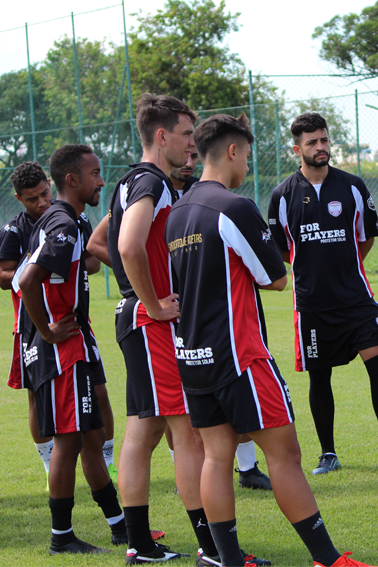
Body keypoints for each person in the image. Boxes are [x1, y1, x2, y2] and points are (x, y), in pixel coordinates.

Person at [166, 112, 378, 567]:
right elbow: (275, 278)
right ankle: (328, 559)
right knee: (285, 454)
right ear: (233, 151)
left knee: (217, 456)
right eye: (247, 153)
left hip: (193, 354)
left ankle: (224, 559)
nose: (247, 164)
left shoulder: (177, 212)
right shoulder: (233, 206)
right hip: (240, 355)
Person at [102, 93, 253, 564]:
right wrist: (154, 302)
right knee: (186, 432)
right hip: (150, 323)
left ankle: (140, 544)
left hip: (136, 319)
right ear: (161, 136)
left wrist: (137, 292)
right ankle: (211, 548)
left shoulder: (130, 179)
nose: (193, 145)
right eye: (187, 134)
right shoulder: (152, 181)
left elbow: (98, 239)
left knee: (142, 434)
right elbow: (127, 245)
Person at [268, 112, 378, 476]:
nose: (321, 147)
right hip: (312, 305)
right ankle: (328, 453)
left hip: (356, 301)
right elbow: (282, 250)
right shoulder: (283, 195)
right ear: (297, 148)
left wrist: (346, 268)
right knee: (319, 378)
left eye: (325, 140)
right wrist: (310, 269)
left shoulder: (353, 187)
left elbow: (366, 237)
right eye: (312, 142)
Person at [18, 145, 126, 554]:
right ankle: (61, 537)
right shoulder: (62, 224)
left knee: (93, 436)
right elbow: (26, 281)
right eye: (96, 173)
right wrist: (46, 332)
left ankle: (120, 525)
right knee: (69, 442)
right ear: (72, 179)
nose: (102, 180)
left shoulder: (68, 221)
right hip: (61, 349)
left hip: (74, 340)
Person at [1, 162, 120, 486]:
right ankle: (48, 461)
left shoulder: (68, 221)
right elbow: (7, 276)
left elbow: (92, 260)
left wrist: (63, 263)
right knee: (38, 400)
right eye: (31, 199)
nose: (40, 203)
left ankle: (105, 460)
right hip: (31, 326)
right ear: (18, 199)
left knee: (100, 393)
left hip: (73, 323)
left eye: (44, 194)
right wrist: (41, 265)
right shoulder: (16, 229)